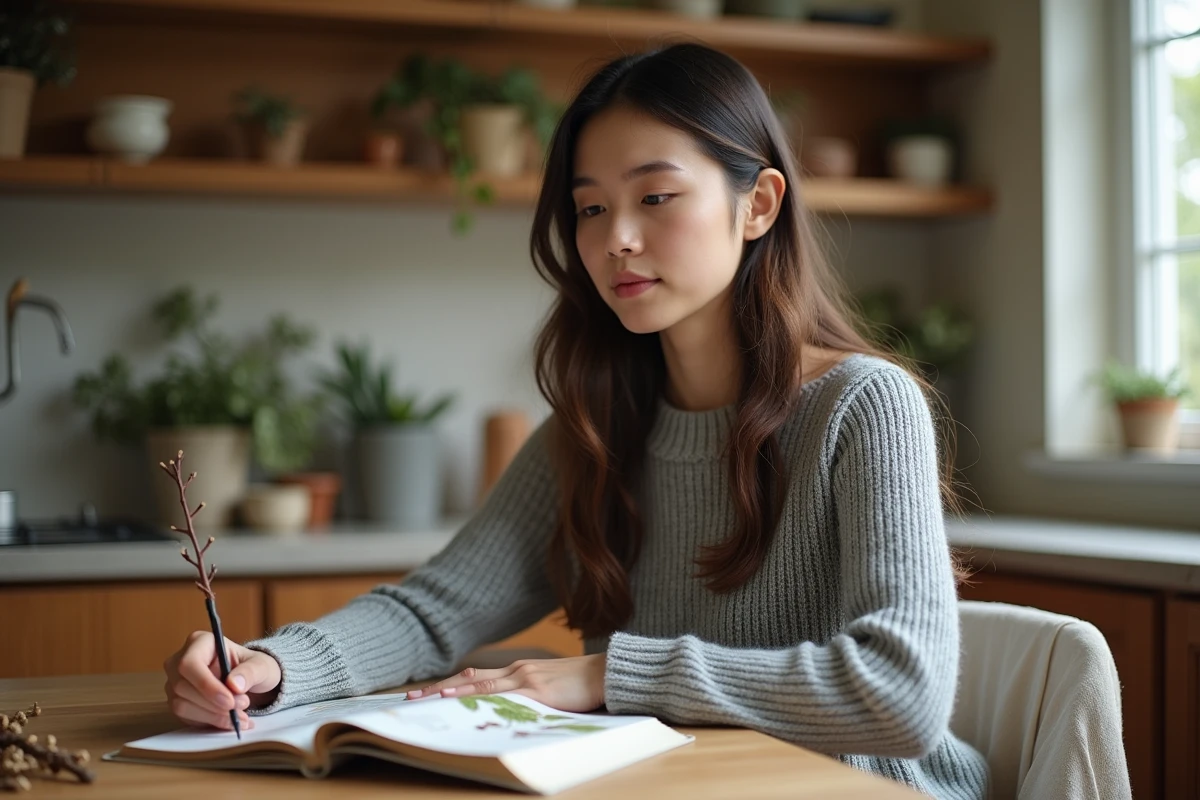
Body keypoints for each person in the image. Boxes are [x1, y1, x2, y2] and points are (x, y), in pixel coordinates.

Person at [163, 43, 988, 798]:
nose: (617, 240)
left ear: (760, 204)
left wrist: (607, 677)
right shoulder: (595, 429)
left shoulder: (863, 405)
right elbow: (435, 611)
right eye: (590, 209)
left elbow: (901, 697)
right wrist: (271, 666)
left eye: (656, 196)